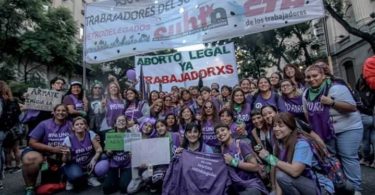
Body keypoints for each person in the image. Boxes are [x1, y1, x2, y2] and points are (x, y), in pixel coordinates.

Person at [303, 64, 363, 193]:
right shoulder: (306, 93)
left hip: (347, 128)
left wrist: (332, 103)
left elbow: (352, 107)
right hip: (325, 133)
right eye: (308, 77)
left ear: (323, 76)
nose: (311, 79)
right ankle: (342, 186)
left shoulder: (336, 88)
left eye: (315, 76)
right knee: (334, 160)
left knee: (348, 157)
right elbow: (308, 115)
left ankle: (355, 189)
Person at [258, 112, 333, 195]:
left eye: (281, 126)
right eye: (274, 126)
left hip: (319, 187)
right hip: (297, 183)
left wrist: (269, 158)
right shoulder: (279, 144)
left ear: (291, 128)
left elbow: (295, 171)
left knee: (281, 176)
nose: (276, 129)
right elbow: (279, 168)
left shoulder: (302, 144)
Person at [21, 104, 72, 195]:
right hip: (41, 151)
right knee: (31, 158)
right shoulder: (44, 124)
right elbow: (32, 142)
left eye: (63, 110)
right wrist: (52, 149)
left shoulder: (70, 125)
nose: (61, 112)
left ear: (67, 113)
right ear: (53, 112)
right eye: (58, 110)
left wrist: (94, 136)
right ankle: (30, 187)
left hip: (61, 154)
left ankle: (63, 180)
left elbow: (83, 134)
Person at [215, 123, 268, 195]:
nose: (220, 133)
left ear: (230, 131)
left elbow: (255, 167)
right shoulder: (222, 149)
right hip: (236, 187)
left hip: (250, 185)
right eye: (217, 133)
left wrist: (233, 162)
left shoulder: (241, 144)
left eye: (222, 130)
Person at [62, 117, 102, 190]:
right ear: (73, 128)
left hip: (88, 161)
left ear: (85, 126)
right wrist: (65, 154)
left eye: (81, 124)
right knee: (76, 176)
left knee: (104, 157)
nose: (79, 125)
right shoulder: (68, 139)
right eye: (77, 124)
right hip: (75, 163)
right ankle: (69, 180)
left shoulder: (90, 134)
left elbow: (99, 149)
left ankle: (90, 177)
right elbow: (65, 160)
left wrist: (94, 159)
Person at [102, 115, 132, 194]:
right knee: (106, 188)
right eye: (119, 120)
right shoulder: (110, 134)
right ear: (115, 124)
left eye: (123, 121)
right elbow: (106, 150)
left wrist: (133, 152)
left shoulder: (131, 134)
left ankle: (122, 180)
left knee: (124, 188)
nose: (121, 122)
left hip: (127, 165)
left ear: (126, 123)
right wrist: (107, 150)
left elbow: (136, 150)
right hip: (114, 165)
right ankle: (116, 180)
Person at [0, 80, 21, 189]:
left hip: (5, 128)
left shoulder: (3, 101)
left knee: (6, 149)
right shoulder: (13, 100)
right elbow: (19, 113)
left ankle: (8, 166)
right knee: (14, 148)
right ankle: (17, 165)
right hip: (13, 128)